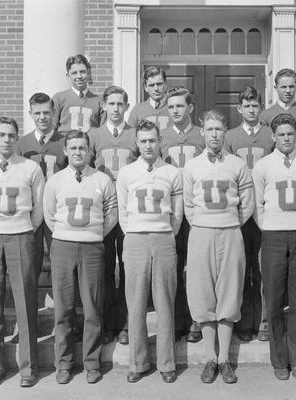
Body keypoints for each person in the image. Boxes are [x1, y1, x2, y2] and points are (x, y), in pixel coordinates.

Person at [0, 117, 45, 388]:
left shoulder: (30, 168)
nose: (7, 139)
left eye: (12, 135)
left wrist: (24, 227)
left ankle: (28, 368)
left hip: (22, 236)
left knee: (26, 300)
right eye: (1, 135)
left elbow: (38, 207)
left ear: (17, 139)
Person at [183, 110, 254, 384]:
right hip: (201, 232)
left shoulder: (237, 165)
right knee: (203, 294)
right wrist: (203, 223)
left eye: (218, 129)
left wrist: (230, 222)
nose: (214, 134)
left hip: (230, 232)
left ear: (225, 132)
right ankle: (209, 358)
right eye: (209, 129)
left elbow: (247, 202)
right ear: (202, 132)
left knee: (229, 291)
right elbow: (189, 204)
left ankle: (224, 358)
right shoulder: (191, 167)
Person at [43, 130, 117, 385]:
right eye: (73, 148)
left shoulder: (102, 180)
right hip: (63, 246)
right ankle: (63, 363)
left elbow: (111, 214)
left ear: (89, 151)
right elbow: (49, 214)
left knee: (92, 307)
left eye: (82, 148)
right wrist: (66, 234)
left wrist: (93, 234)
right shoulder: (55, 181)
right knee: (63, 308)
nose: (77, 152)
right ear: (65, 151)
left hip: (92, 248)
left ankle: (91, 363)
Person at [253, 113, 296, 381]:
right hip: (273, 235)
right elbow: (258, 204)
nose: (286, 138)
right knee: (275, 298)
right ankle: (279, 360)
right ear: (273, 137)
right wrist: (270, 226)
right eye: (281, 134)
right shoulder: (263, 166)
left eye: (290, 134)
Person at [117, 120, 183, 384]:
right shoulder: (126, 173)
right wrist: (134, 231)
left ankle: (167, 362)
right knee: (135, 303)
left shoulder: (172, 172)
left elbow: (177, 214)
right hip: (134, 240)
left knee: (165, 301)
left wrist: (166, 233)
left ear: (160, 142)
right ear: (137, 143)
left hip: (164, 239)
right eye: (143, 141)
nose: (148, 145)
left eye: (152, 140)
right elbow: (122, 211)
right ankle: (138, 362)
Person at [14, 93, 69, 343]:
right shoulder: (22, 143)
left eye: (47, 112)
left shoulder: (65, 142)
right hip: (31, 212)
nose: (43, 117)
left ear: (54, 113)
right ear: (31, 115)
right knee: (28, 269)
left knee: (62, 270)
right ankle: (24, 326)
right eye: (37, 113)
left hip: (58, 212)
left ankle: (66, 325)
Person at [88, 85, 138, 345]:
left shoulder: (135, 135)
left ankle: (127, 324)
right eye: (112, 104)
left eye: (121, 104)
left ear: (126, 107)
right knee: (105, 270)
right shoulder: (94, 135)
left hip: (130, 209)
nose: (116, 109)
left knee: (129, 269)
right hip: (104, 210)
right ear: (104, 107)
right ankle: (107, 324)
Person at [225, 86, 274, 342]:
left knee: (264, 268)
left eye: (256, 105)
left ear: (261, 107)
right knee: (242, 268)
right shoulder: (231, 136)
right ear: (239, 109)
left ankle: (264, 321)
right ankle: (244, 321)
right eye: (247, 106)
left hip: (266, 209)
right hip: (241, 211)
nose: (252, 110)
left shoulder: (270, 135)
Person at [160, 86, 205, 343]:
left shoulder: (201, 135)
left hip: (197, 208)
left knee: (196, 267)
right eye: (171, 106)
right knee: (173, 266)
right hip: (170, 208)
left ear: (190, 108)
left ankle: (196, 320)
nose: (175, 110)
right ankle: (177, 321)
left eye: (180, 106)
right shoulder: (162, 137)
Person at [53, 54, 103, 133]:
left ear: (89, 73)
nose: (79, 76)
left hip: (90, 144)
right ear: (68, 75)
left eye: (82, 72)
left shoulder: (99, 101)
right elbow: (51, 128)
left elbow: (103, 131)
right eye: (74, 73)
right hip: (64, 144)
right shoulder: (59, 98)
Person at [259, 68, 296, 135]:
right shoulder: (265, 116)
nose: (288, 91)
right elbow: (264, 143)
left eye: (291, 87)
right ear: (276, 88)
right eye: (283, 87)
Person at [127, 66, 171, 131]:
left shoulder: (175, 108)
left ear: (165, 84)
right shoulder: (137, 110)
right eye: (151, 85)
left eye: (159, 84)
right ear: (145, 88)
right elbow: (130, 137)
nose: (156, 88)